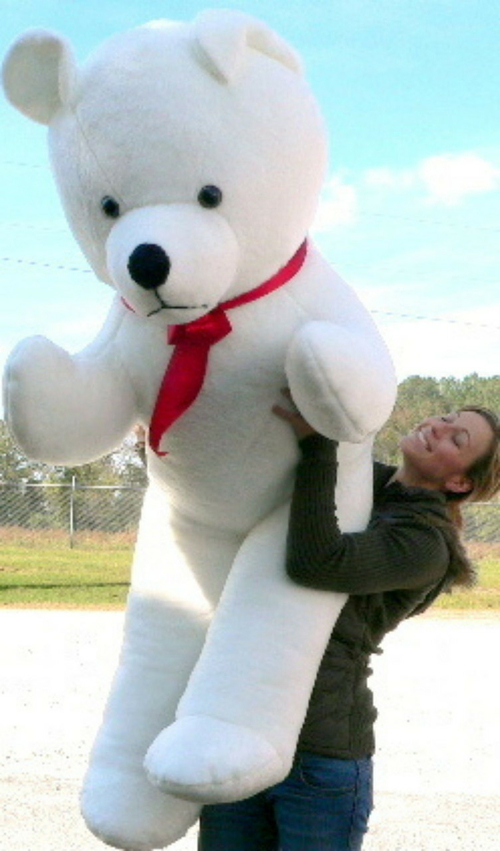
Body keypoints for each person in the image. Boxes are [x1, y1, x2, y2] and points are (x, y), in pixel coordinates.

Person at [198, 398, 500, 851]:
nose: (438, 426)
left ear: (459, 481)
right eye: (447, 417)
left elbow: (317, 562)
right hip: (244, 729)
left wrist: (319, 445)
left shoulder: (424, 542)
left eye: (457, 439)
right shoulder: (366, 481)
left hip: (319, 758)